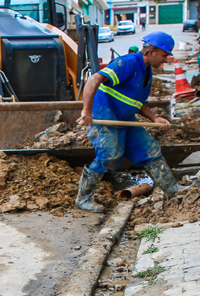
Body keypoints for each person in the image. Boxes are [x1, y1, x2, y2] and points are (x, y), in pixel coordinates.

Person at [74, 31, 187, 212]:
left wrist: (154, 118)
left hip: (125, 118)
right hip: (106, 116)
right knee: (109, 155)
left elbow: (137, 102)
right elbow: (93, 79)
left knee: (149, 149)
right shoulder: (127, 63)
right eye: (164, 55)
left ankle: (172, 190)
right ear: (151, 51)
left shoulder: (146, 72)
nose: (165, 60)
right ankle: (83, 198)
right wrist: (86, 111)